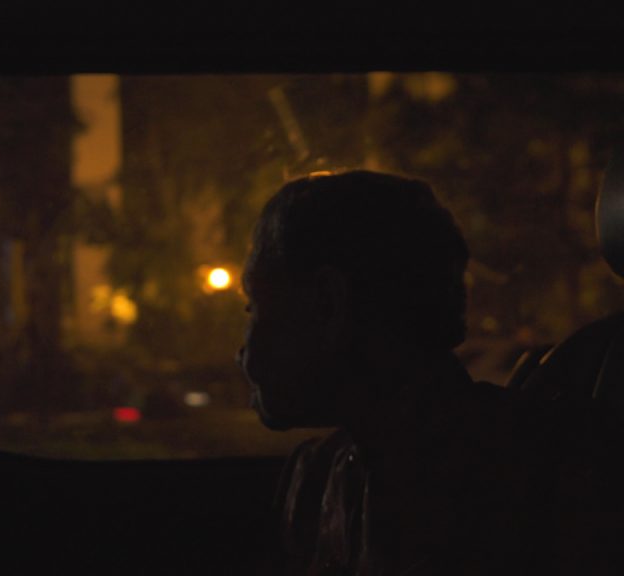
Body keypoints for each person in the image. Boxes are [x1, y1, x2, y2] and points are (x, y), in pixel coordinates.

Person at [236, 170, 613, 574]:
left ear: (328, 305)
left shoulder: (531, 478)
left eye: (255, 309)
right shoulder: (319, 474)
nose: (243, 351)